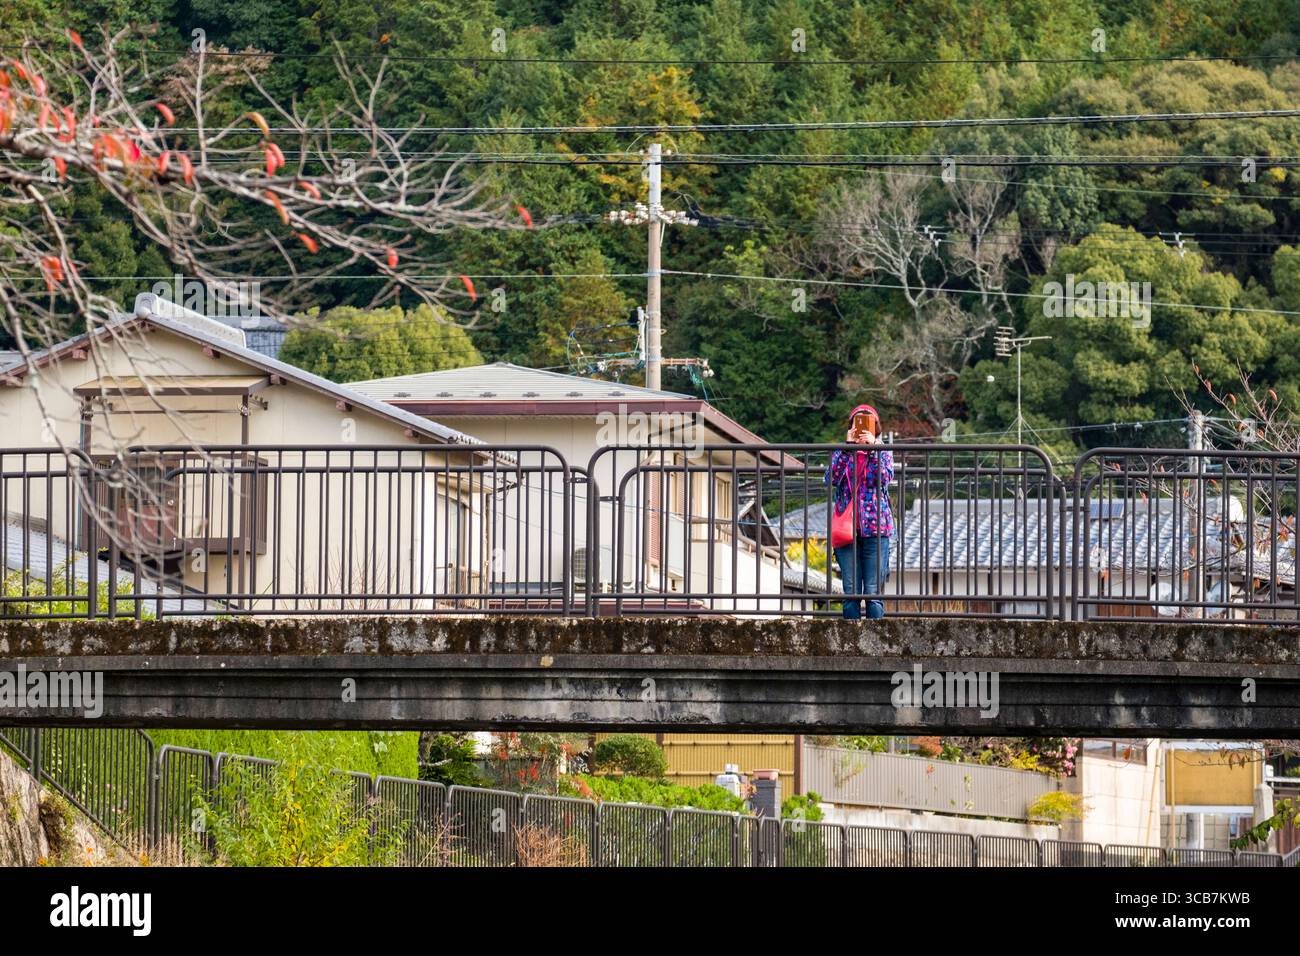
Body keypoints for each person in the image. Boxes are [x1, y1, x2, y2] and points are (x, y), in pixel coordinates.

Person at [825, 404, 894, 619]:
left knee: (873, 592)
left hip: (876, 529)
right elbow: (831, 478)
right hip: (847, 532)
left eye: (868, 423)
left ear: (876, 428)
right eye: (858, 423)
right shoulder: (843, 451)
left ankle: (876, 646)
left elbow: (885, 477)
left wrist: (873, 449)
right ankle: (850, 646)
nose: (863, 427)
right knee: (851, 592)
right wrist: (848, 448)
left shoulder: (883, 451)